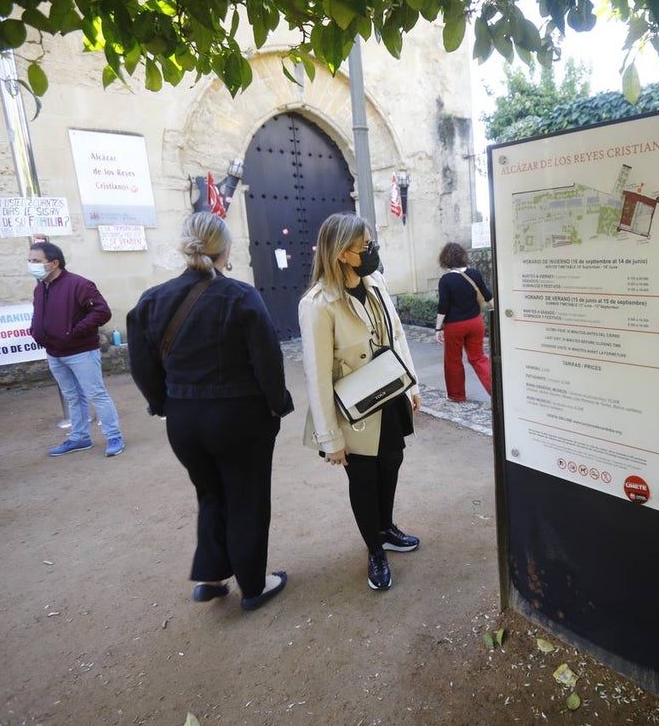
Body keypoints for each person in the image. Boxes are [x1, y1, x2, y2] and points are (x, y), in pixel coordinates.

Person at [127, 212, 294, 611]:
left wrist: (163, 404)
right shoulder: (240, 295)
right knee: (247, 496)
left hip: (184, 419)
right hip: (239, 417)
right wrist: (277, 404)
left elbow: (141, 364)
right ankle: (254, 584)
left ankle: (211, 575)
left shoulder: (152, 299)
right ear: (226, 249)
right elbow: (267, 359)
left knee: (210, 494)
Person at [299, 213, 422, 592]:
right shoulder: (318, 304)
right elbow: (317, 374)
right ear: (341, 254)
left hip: (389, 393)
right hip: (353, 409)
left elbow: (397, 332)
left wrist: (412, 384)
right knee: (364, 477)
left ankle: (385, 529)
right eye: (363, 246)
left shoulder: (376, 281)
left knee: (392, 463)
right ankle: (375, 550)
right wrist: (330, 439)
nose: (371, 251)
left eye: (370, 243)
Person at [28, 241, 125, 457]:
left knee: (96, 394)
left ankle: (114, 436)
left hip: (81, 352)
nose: (31, 264)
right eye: (30, 260)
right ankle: (80, 438)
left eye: (36, 261)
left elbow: (102, 311)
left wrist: (75, 332)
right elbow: (39, 315)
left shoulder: (79, 285)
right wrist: (36, 331)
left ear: (53, 263)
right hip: (54, 353)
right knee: (73, 397)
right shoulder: (40, 287)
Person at [434, 242, 494, 402]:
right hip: (475, 323)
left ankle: (457, 395)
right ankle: (496, 390)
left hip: (455, 326)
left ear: (445, 259)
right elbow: (488, 296)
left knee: (453, 360)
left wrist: (438, 328)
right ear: (462, 256)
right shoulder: (474, 273)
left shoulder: (446, 280)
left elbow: (443, 306)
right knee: (479, 358)